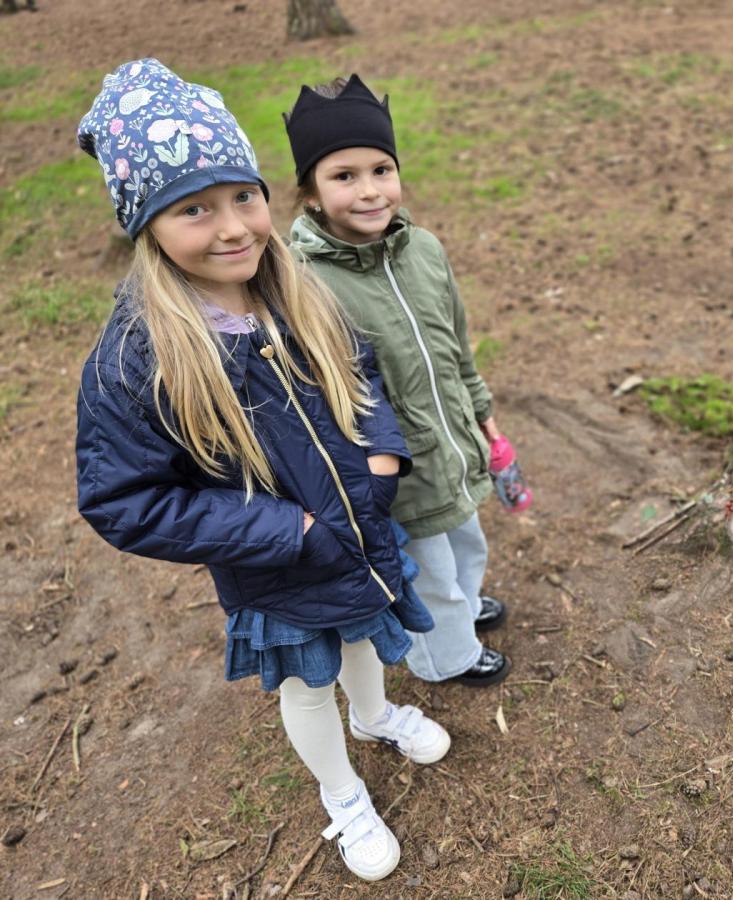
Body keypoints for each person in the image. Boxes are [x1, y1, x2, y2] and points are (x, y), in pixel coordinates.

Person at [75, 59, 444, 882]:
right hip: (280, 564)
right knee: (309, 686)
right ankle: (343, 794)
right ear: (146, 225)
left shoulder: (294, 291)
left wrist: (381, 452)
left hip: (358, 523)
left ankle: (375, 714)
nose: (233, 227)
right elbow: (124, 499)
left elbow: (361, 368)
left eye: (243, 196)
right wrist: (289, 530)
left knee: (364, 637)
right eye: (194, 209)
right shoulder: (136, 358)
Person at [283, 74, 512, 687]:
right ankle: (446, 657)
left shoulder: (425, 250)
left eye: (381, 170)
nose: (369, 190)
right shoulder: (305, 282)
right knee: (428, 571)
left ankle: (465, 610)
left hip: (454, 443)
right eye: (344, 176)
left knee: (467, 543)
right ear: (310, 193)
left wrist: (482, 413)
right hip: (397, 471)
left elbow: (456, 343)